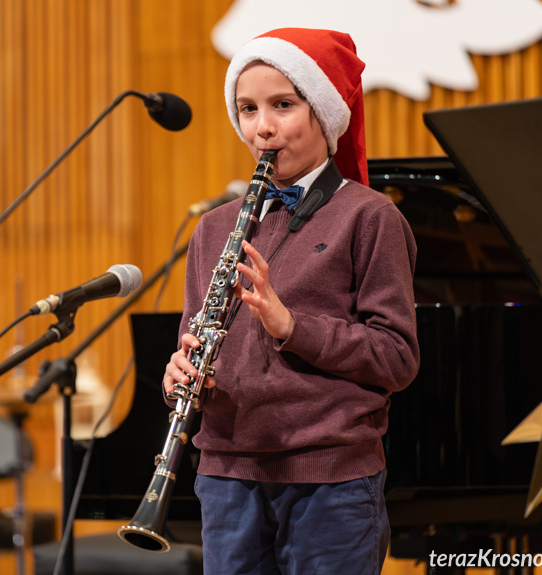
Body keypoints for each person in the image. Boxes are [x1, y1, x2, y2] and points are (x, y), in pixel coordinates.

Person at [162, 28, 420, 574]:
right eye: (247, 109)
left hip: (330, 479)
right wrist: (182, 373)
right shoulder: (214, 229)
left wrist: (289, 324)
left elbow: (397, 357)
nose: (263, 127)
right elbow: (195, 336)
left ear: (323, 113)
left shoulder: (370, 217)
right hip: (228, 475)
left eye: (283, 105)